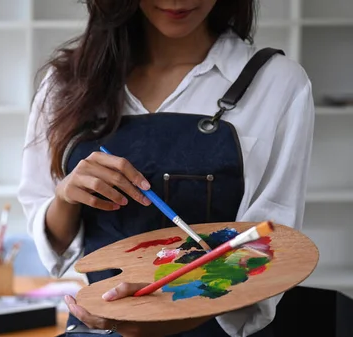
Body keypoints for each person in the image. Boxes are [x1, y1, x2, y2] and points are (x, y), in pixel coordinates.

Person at [18, 0, 315, 336]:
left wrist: (155, 318)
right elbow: (52, 245)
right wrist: (66, 199)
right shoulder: (65, 85)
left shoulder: (277, 83)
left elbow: (268, 245)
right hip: (97, 326)